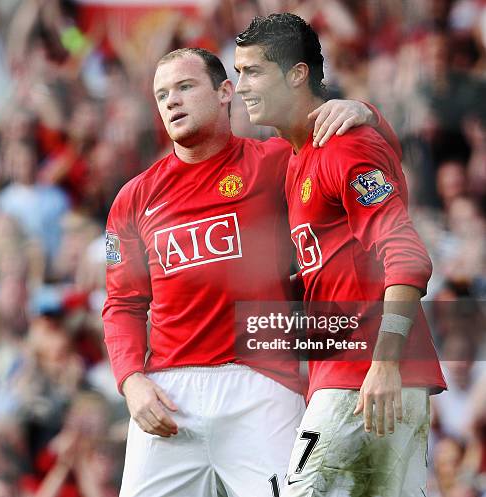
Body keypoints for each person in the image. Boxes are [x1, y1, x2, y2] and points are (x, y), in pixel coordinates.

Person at [102, 46, 397, 497]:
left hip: (260, 383)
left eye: (185, 87)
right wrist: (130, 380)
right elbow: (122, 303)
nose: (172, 102)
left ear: (225, 92)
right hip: (166, 394)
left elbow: (365, 156)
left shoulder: (276, 161)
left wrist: (365, 112)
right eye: (162, 95)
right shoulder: (134, 198)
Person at [234, 13, 446, 496]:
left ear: (297, 73)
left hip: (364, 381)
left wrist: (384, 362)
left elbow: (408, 257)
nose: (241, 84)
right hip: (364, 379)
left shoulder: (342, 145)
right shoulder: (300, 157)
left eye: (252, 71)